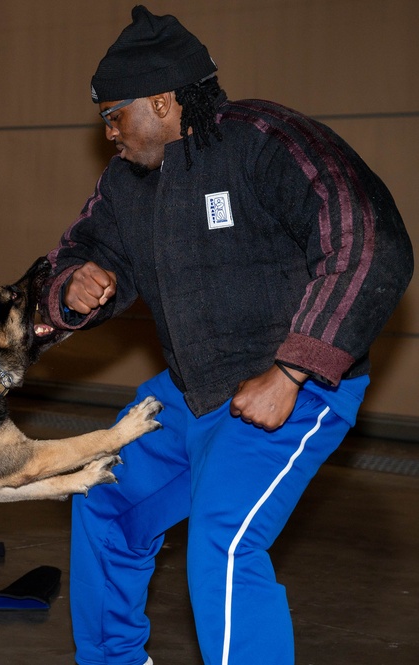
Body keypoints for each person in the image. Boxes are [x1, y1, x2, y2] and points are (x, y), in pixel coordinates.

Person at [40, 6, 413, 665]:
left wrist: (292, 370)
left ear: (161, 100)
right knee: (101, 493)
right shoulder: (126, 185)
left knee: (225, 536)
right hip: (193, 390)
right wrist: (72, 280)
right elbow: (83, 251)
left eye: (113, 116)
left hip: (292, 388)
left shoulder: (267, 141)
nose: (108, 136)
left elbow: (369, 243)